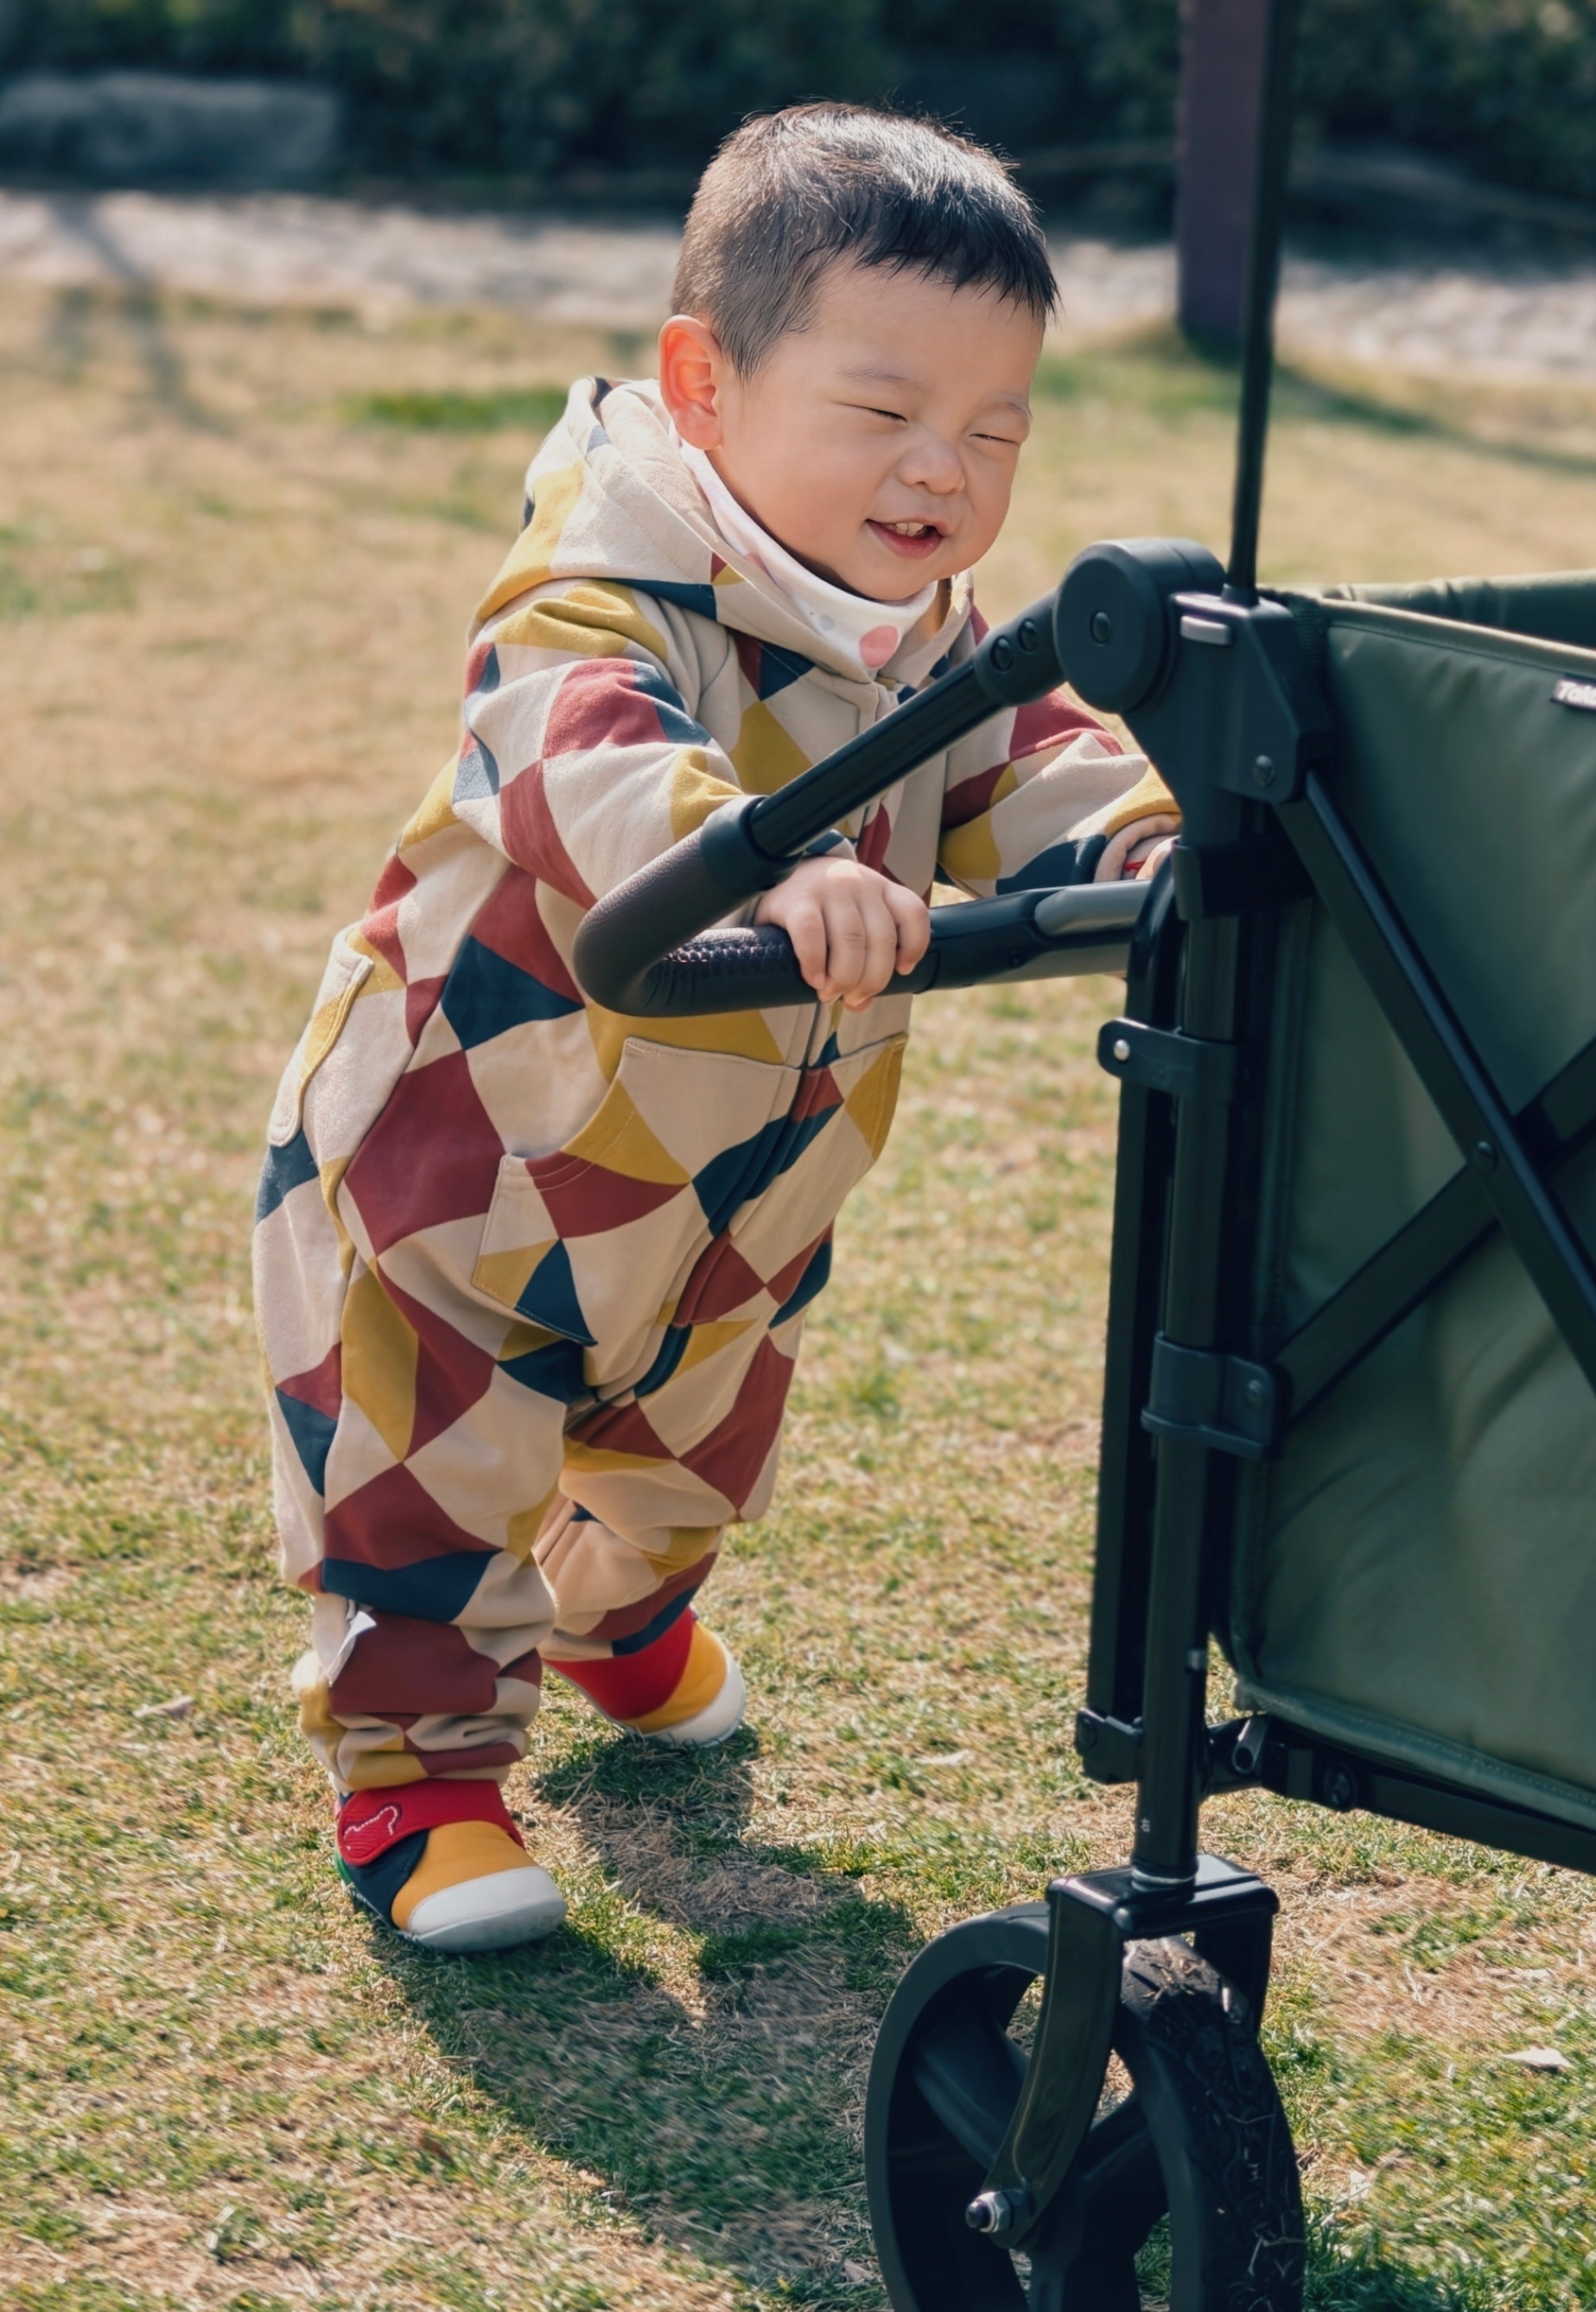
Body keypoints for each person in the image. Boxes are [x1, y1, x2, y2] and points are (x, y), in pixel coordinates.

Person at [252, 106, 1173, 1953]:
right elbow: (595, 758)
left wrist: (1150, 830)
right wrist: (760, 866)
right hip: (470, 1173)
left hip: (726, 1198)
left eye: (997, 430)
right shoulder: (596, 595)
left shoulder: (922, 628)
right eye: (887, 410)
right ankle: (420, 1774)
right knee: (431, 1483)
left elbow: (1021, 757)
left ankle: (614, 1609)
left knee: (692, 1451)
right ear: (707, 381)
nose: (946, 469)